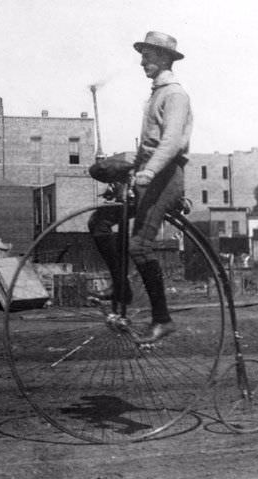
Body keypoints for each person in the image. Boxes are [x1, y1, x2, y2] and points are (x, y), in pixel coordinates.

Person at [88, 31, 193, 344]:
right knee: (100, 222)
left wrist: (147, 170)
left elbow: (171, 142)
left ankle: (163, 319)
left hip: (165, 179)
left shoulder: (174, 95)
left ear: (163, 58)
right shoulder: (155, 95)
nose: (142, 62)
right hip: (149, 177)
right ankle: (121, 287)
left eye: (147, 56)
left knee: (139, 246)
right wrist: (118, 164)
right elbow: (148, 147)